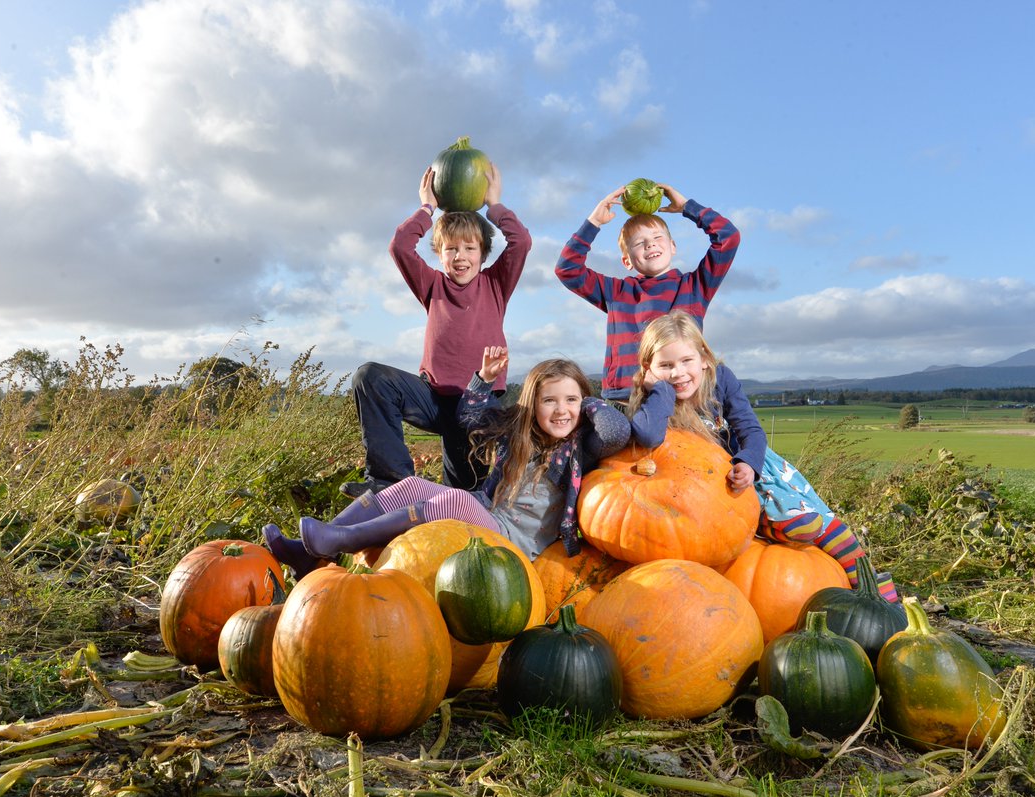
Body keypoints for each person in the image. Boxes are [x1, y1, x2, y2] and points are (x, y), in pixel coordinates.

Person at [265, 348, 631, 579]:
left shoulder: (580, 448)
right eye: (550, 400)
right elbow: (468, 417)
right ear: (533, 404)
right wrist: (484, 380)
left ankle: (340, 541)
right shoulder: (519, 433)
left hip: (516, 548)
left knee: (457, 500)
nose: (561, 409)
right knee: (408, 486)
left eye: (570, 399)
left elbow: (616, 433)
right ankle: (306, 552)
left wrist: (590, 403)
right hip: (491, 517)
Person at [627, 311, 898, 601]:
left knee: (821, 521)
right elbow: (648, 435)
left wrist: (748, 463)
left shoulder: (722, 380)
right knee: (758, 523)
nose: (678, 373)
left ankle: (874, 588)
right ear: (648, 368)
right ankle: (770, 526)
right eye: (665, 365)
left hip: (750, 468)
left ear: (704, 358)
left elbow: (751, 430)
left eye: (686, 361)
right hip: (709, 491)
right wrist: (659, 391)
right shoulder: (655, 400)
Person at [340, 162, 532, 498]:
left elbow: (521, 242)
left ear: (484, 254)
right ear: (439, 255)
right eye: (451, 249)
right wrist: (426, 207)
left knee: (463, 496)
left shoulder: (496, 284)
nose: (460, 257)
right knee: (370, 377)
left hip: (477, 407)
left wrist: (494, 205)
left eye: (470, 248)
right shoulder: (432, 285)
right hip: (432, 399)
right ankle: (391, 482)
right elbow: (400, 247)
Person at [555, 182, 739, 402]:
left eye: (657, 238)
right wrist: (593, 222)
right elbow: (567, 269)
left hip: (679, 398)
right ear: (626, 261)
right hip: (625, 398)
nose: (650, 245)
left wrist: (687, 207)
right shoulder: (616, 292)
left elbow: (728, 237)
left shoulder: (694, 286)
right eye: (639, 243)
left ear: (673, 246)